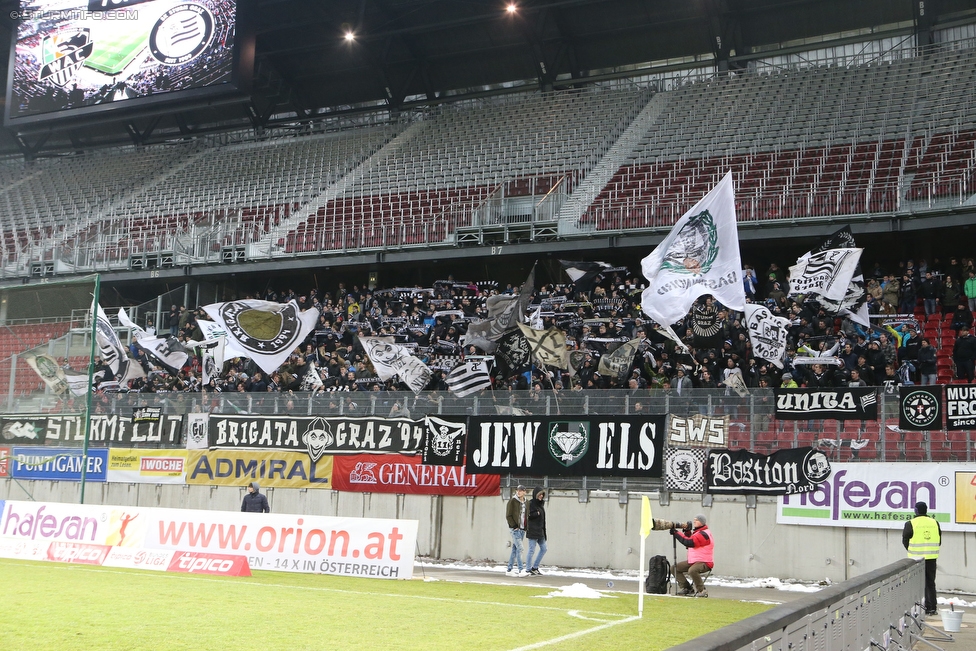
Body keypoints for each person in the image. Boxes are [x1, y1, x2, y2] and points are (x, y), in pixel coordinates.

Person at [902, 501, 941, 615]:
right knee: (930, 583)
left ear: (916, 510)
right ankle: (932, 608)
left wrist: (913, 550)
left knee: (916, 584)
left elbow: (905, 540)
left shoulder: (911, 523)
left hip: (916, 559)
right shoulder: (935, 522)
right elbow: (939, 541)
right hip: (931, 558)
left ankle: (918, 608)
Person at [671, 514, 714, 598]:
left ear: (702, 522)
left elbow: (689, 542)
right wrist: (687, 532)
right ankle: (687, 588)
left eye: (696, 520)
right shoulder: (698, 533)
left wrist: (677, 533)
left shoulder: (704, 534)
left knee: (692, 570)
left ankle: (702, 590)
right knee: (674, 568)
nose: (694, 521)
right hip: (694, 561)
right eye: (694, 520)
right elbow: (690, 540)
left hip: (705, 562)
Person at [505, 485, 528, 577]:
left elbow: (526, 515)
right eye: (518, 490)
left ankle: (509, 569)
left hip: (522, 529)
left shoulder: (526, 502)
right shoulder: (512, 501)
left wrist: (525, 527)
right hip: (515, 529)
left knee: (515, 549)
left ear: (524, 492)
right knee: (520, 548)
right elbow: (508, 515)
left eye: (521, 490)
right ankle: (521, 570)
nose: (519, 492)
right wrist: (514, 526)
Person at [526, 486, 547, 576]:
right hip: (533, 531)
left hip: (540, 532)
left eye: (542, 494)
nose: (541, 496)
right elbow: (529, 515)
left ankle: (535, 567)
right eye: (539, 494)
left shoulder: (541, 505)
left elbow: (543, 520)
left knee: (544, 548)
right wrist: (536, 513)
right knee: (531, 550)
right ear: (535, 495)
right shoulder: (531, 503)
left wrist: (544, 533)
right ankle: (528, 569)